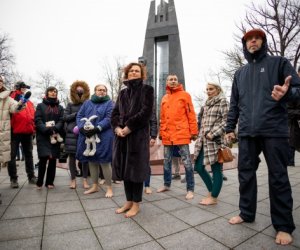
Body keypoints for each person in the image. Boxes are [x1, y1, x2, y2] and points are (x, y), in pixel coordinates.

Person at [225, 28, 300, 245]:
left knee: (278, 176)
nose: (253, 42)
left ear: (263, 42)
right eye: (248, 40)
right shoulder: (240, 73)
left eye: (257, 38)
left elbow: (297, 89)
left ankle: (284, 225)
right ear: (245, 45)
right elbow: (234, 104)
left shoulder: (279, 63)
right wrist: (230, 127)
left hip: (274, 130)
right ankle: (246, 212)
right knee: (245, 174)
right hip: (247, 131)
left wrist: (288, 93)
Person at [111, 62, 154, 218]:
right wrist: (117, 128)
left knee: (136, 172)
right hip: (121, 138)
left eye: (137, 71)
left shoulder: (147, 90)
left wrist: (129, 127)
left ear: (141, 74)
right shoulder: (122, 93)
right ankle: (128, 201)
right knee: (125, 171)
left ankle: (136, 204)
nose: (134, 73)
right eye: (131, 71)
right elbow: (114, 113)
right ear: (127, 73)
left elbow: (146, 113)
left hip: (137, 137)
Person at [157, 74, 198, 200]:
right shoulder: (164, 98)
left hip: (181, 134)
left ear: (178, 81)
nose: (173, 81)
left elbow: (191, 114)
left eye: (175, 79)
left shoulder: (185, 95)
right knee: (166, 161)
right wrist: (161, 132)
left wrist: (194, 131)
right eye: (171, 79)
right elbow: (163, 118)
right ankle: (166, 184)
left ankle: (190, 189)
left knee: (187, 162)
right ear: (167, 82)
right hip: (167, 134)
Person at [193, 82, 228, 205]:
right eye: (207, 89)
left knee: (216, 169)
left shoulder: (222, 101)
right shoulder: (207, 104)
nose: (208, 91)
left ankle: (213, 197)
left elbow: (226, 121)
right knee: (198, 166)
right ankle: (212, 191)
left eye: (211, 89)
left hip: (215, 141)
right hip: (203, 141)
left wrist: (213, 133)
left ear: (217, 89)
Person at [76, 84, 114, 197]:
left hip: (104, 135)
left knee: (104, 161)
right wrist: (82, 127)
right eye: (99, 90)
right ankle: (95, 186)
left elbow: (109, 117)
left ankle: (109, 188)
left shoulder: (110, 103)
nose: (101, 92)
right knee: (91, 160)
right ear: (95, 91)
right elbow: (79, 115)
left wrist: (97, 128)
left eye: (104, 90)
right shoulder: (87, 103)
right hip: (87, 135)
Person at [8, 81, 37, 188]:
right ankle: (13, 179)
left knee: (29, 155)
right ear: (18, 88)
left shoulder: (29, 102)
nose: (25, 89)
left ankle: (31, 176)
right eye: (23, 87)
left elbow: (32, 116)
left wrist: (33, 129)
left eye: (25, 88)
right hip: (14, 131)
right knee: (12, 156)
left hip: (27, 131)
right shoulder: (11, 98)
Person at [35, 86, 64, 189]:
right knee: (43, 159)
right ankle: (39, 182)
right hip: (43, 136)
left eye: (55, 92)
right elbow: (38, 120)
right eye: (51, 91)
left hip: (55, 135)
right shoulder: (40, 106)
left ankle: (49, 182)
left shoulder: (60, 107)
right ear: (47, 93)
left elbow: (61, 120)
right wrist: (46, 129)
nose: (53, 93)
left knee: (52, 160)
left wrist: (55, 128)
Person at [64, 80, 90, 189]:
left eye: (81, 89)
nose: (79, 90)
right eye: (77, 89)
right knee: (72, 158)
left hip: (84, 133)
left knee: (84, 158)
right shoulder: (70, 105)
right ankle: (73, 180)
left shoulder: (88, 104)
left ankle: (85, 180)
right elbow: (65, 117)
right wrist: (76, 114)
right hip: (72, 135)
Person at [0, 76, 23, 172]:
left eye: (0, 81)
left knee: (4, 158)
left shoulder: (7, 98)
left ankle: (13, 178)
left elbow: (14, 108)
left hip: (2, 132)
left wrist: (21, 103)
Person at [287, 66, 300, 167]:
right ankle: (290, 161)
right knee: (292, 141)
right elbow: (288, 110)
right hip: (294, 123)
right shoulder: (293, 90)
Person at [144, 107, 158, 195]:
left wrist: (153, 137)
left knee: (145, 163)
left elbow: (153, 122)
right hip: (132, 138)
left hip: (145, 137)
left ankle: (147, 185)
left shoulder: (148, 104)